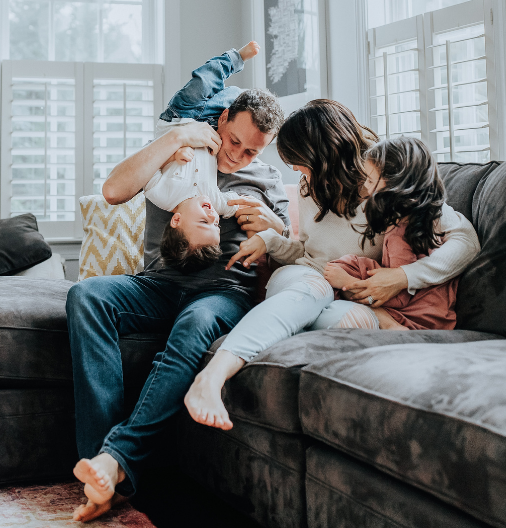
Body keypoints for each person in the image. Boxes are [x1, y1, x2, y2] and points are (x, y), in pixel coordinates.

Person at [66, 45, 290, 522]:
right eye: (234, 141)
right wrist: (176, 138)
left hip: (223, 293)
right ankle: (101, 466)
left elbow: (292, 256)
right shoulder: (183, 150)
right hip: (158, 284)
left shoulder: (267, 181)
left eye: (252, 150)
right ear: (223, 119)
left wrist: (273, 229)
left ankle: (115, 461)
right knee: (86, 295)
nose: (238, 156)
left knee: (195, 323)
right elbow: (113, 191)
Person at [184, 99, 480, 432]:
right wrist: (271, 241)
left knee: (343, 320)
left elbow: (466, 242)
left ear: (323, 155)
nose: (296, 171)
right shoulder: (308, 186)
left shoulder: (384, 179)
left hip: (348, 298)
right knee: (313, 290)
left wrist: (402, 277)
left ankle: (265, 338)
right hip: (305, 279)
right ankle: (212, 376)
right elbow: (306, 253)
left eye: (299, 162)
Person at [146, 42, 261, 272]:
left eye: (203, 221)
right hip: (210, 126)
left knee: (204, 80)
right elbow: (238, 204)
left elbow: (148, 164)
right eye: (216, 224)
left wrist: (171, 156)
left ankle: (236, 58)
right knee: (238, 98)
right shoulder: (215, 202)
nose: (211, 215)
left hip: (180, 117)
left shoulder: (162, 195)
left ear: (176, 220)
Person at [324, 136, 459, 331]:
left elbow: (398, 297)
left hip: (419, 317)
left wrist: (348, 283)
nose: (366, 188)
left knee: (346, 269)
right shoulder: (423, 218)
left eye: (371, 180)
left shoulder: (400, 234)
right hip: (436, 311)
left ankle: (391, 327)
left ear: (396, 184)